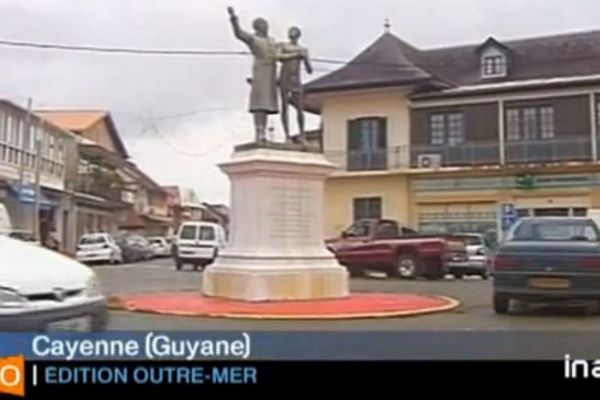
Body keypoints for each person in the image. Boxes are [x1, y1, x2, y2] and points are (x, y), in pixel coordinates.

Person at [227, 7, 304, 143]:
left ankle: (263, 134)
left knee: (267, 105)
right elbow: (239, 34)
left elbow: (279, 55)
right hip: (260, 75)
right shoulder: (254, 39)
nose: (266, 26)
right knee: (259, 105)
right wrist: (234, 19)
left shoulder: (272, 41)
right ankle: (259, 132)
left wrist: (296, 53)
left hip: (271, 76)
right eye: (263, 24)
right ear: (257, 27)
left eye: (266, 24)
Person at [278, 26, 313, 144]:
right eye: (290, 32)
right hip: (284, 78)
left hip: (296, 79)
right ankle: (286, 135)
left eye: (294, 32)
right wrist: (296, 55)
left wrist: (305, 58)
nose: (291, 34)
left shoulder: (303, 49)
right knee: (284, 107)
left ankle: (302, 135)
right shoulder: (283, 46)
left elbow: (309, 70)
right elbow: (279, 57)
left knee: (300, 108)